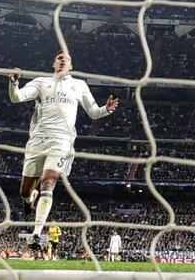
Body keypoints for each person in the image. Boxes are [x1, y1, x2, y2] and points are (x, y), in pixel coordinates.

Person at [9, 50, 119, 251]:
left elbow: (93, 112)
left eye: (66, 59)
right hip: (38, 139)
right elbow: (17, 97)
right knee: (25, 190)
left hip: (63, 140)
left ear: (71, 66)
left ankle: (36, 233)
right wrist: (14, 83)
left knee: (49, 181)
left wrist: (106, 109)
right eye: (59, 58)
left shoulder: (79, 85)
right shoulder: (41, 82)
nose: (62, 61)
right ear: (54, 64)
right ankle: (29, 199)